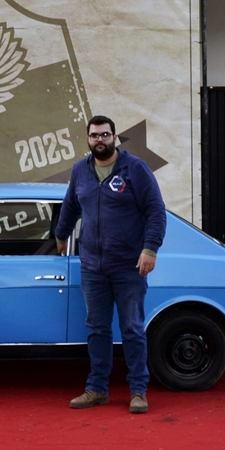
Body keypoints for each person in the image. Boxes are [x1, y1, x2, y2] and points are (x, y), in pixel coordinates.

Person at [54, 115, 166, 414]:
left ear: (115, 137)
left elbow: (156, 211)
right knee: (97, 329)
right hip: (92, 267)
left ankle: (138, 391)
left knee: (132, 329)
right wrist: (61, 235)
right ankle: (97, 389)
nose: (100, 140)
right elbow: (70, 206)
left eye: (105, 135)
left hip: (129, 266)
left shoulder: (135, 169)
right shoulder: (80, 170)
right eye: (94, 135)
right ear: (88, 139)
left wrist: (150, 249)